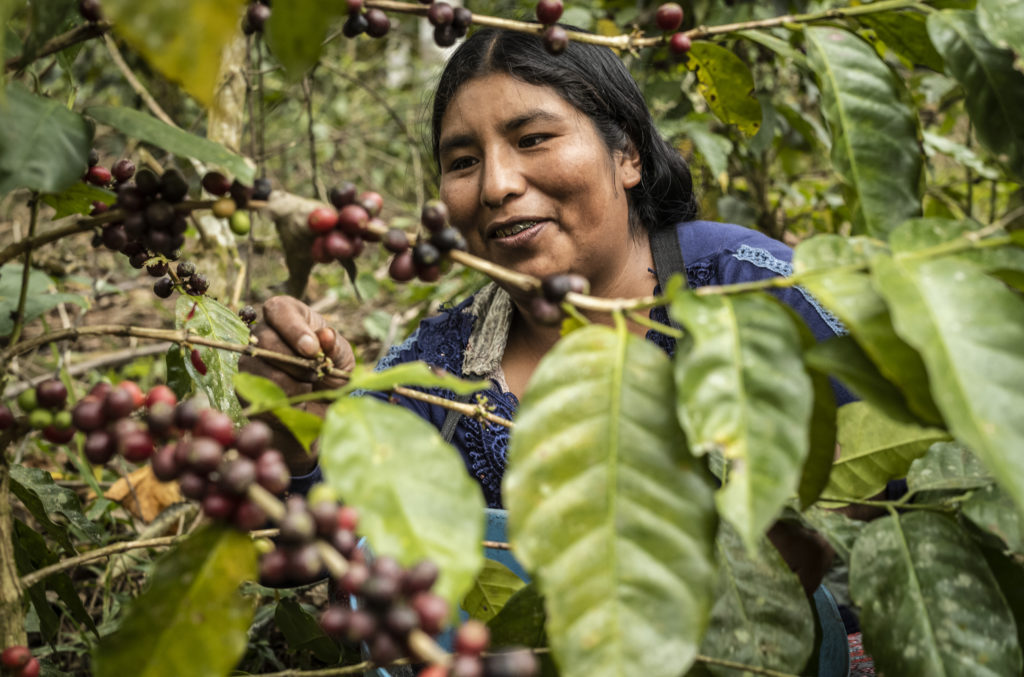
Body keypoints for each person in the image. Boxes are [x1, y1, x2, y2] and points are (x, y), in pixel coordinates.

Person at [239, 26, 851, 592]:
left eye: (533, 139)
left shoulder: (744, 285)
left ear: (627, 156)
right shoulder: (442, 370)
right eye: (462, 162)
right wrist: (295, 435)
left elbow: (889, 481)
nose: (496, 185)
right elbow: (294, 555)